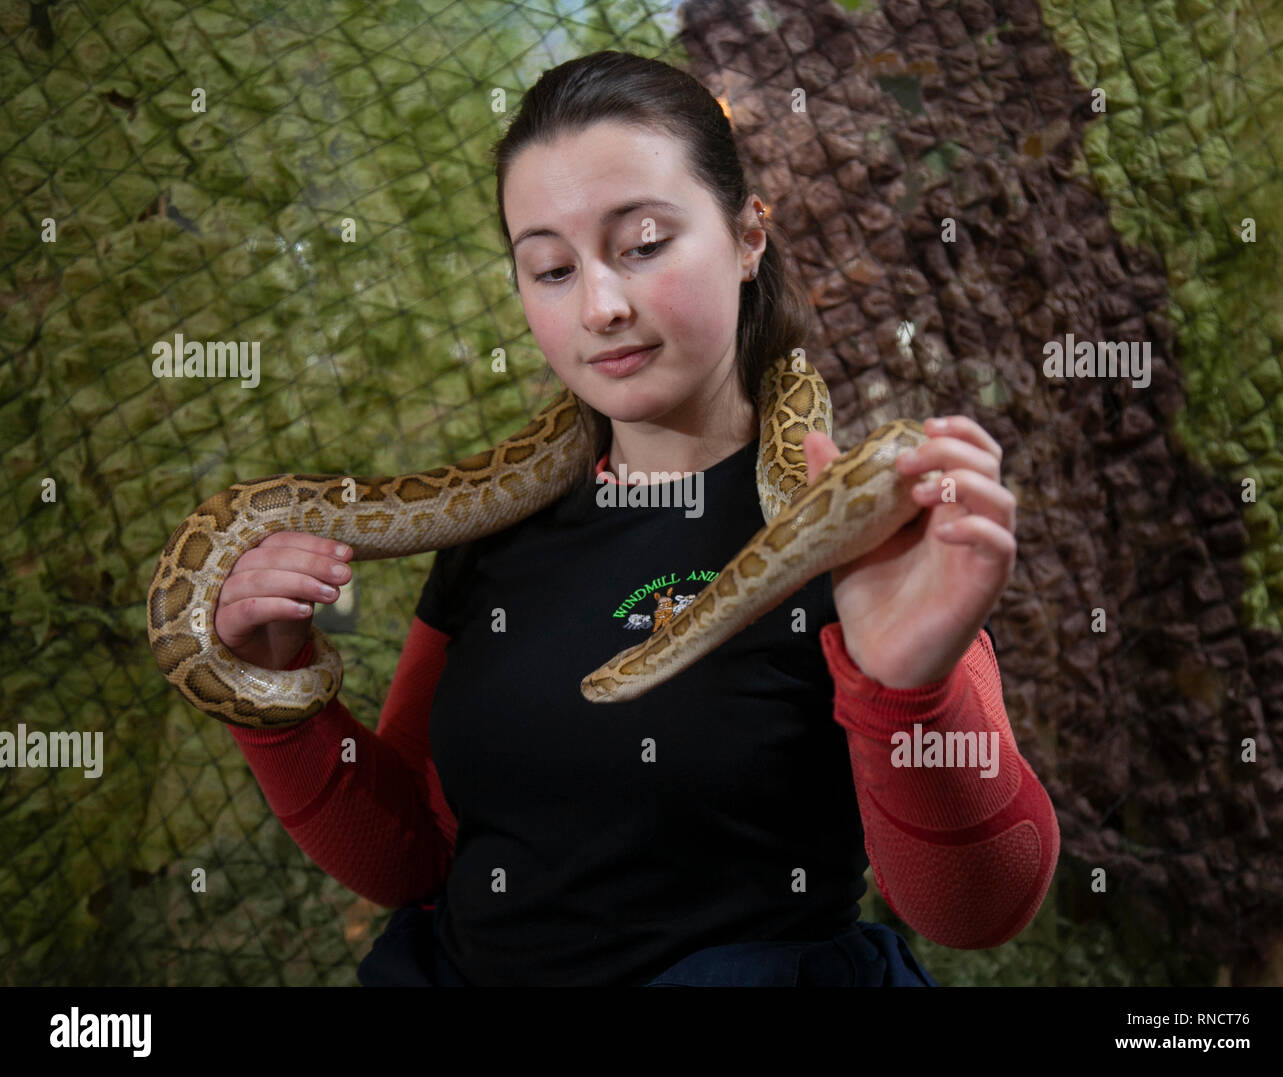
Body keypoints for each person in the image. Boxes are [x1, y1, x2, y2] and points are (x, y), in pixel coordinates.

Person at [218, 50, 1059, 987]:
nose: (601, 306)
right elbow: (414, 860)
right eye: (549, 267)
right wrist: (279, 690)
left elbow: (978, 910)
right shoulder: (487, 542)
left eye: (646, 241)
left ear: (749, 237)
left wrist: (908, 692)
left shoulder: (852, 521)